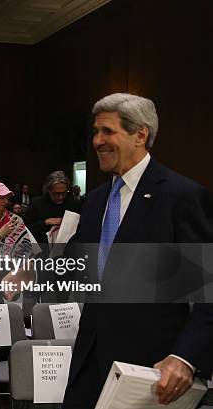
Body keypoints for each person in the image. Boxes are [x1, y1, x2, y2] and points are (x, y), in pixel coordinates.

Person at [62, 93, 213, 408]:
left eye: (107, 131)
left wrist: (185, 357)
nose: (97, 141)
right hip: (88, 365)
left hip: (150, 372)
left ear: (140, 135)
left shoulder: (180, 196)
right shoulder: (95, 201)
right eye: (95, 132)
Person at [23, 171, 81, 243]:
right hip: (42, 248)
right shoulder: (36, 203)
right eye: (56, 193)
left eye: (64, 193)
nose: (61, 197)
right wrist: (46, 222)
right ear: (48, 190)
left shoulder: (75, 204)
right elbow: (26, 231)